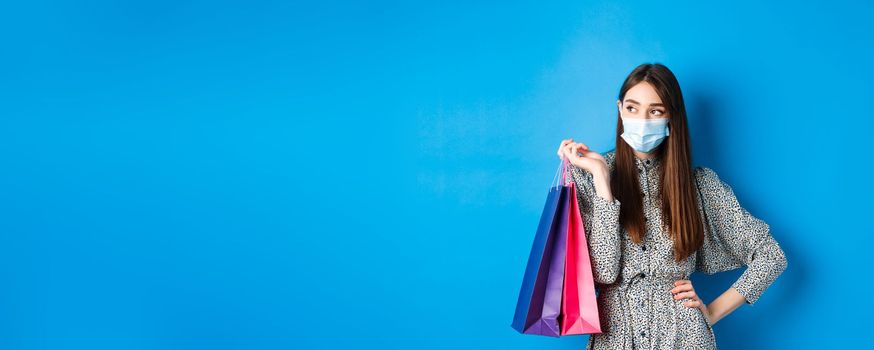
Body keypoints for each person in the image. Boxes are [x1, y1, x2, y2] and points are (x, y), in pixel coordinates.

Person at [555, 63, 788, 349]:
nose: (641, 119)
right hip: (614, 337)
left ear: (670, 117)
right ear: (619, 109)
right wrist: (603, 180)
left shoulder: (699, 185)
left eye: (655, 111)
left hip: (683, 337)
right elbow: (604, 272)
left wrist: (712, 313)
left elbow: (771, 256)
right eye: (632, 108)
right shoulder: (589, 173)